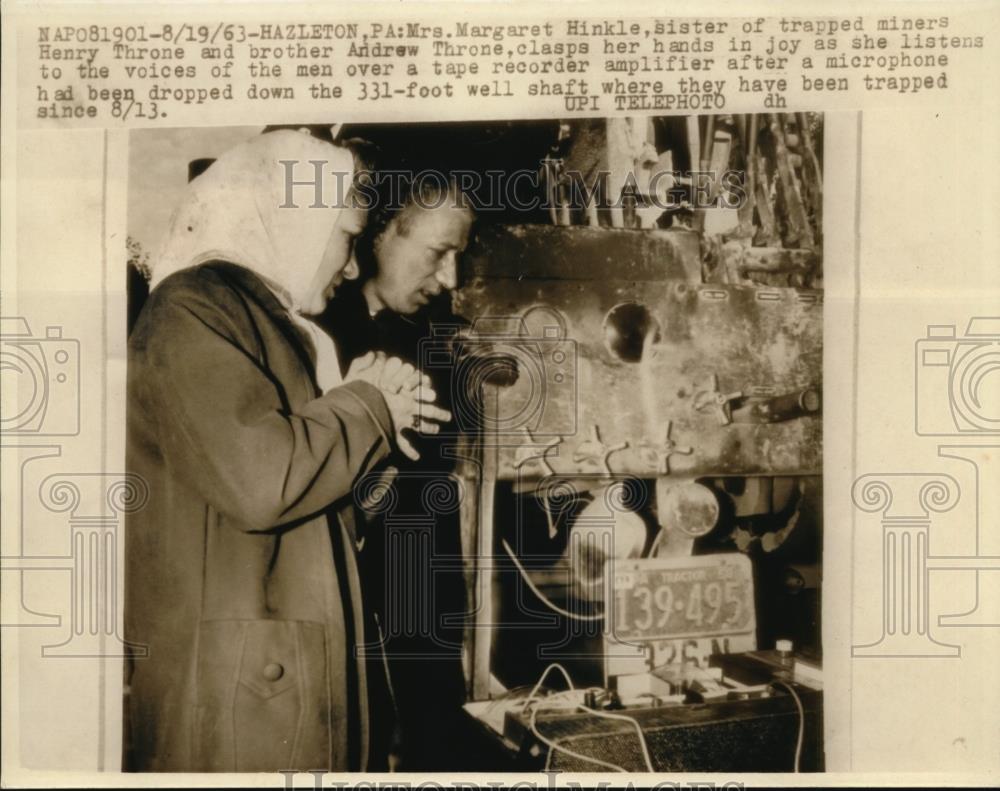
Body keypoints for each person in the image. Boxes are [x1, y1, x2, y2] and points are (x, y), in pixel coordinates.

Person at [124, 130, 450, 772]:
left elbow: (311, 513)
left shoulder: (271, 322)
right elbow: (262, 481)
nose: (352, 266)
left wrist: (380, 434)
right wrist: (368, 406)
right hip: (242, 700)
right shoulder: (193, 307)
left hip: (277, 683)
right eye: (348, 237)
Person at [315, 173, 478, 770]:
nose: (450, 277)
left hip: (423, 590)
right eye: (438, 253)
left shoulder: (445, 338)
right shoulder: (311, 335)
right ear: (378, 234)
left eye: (461, 255)